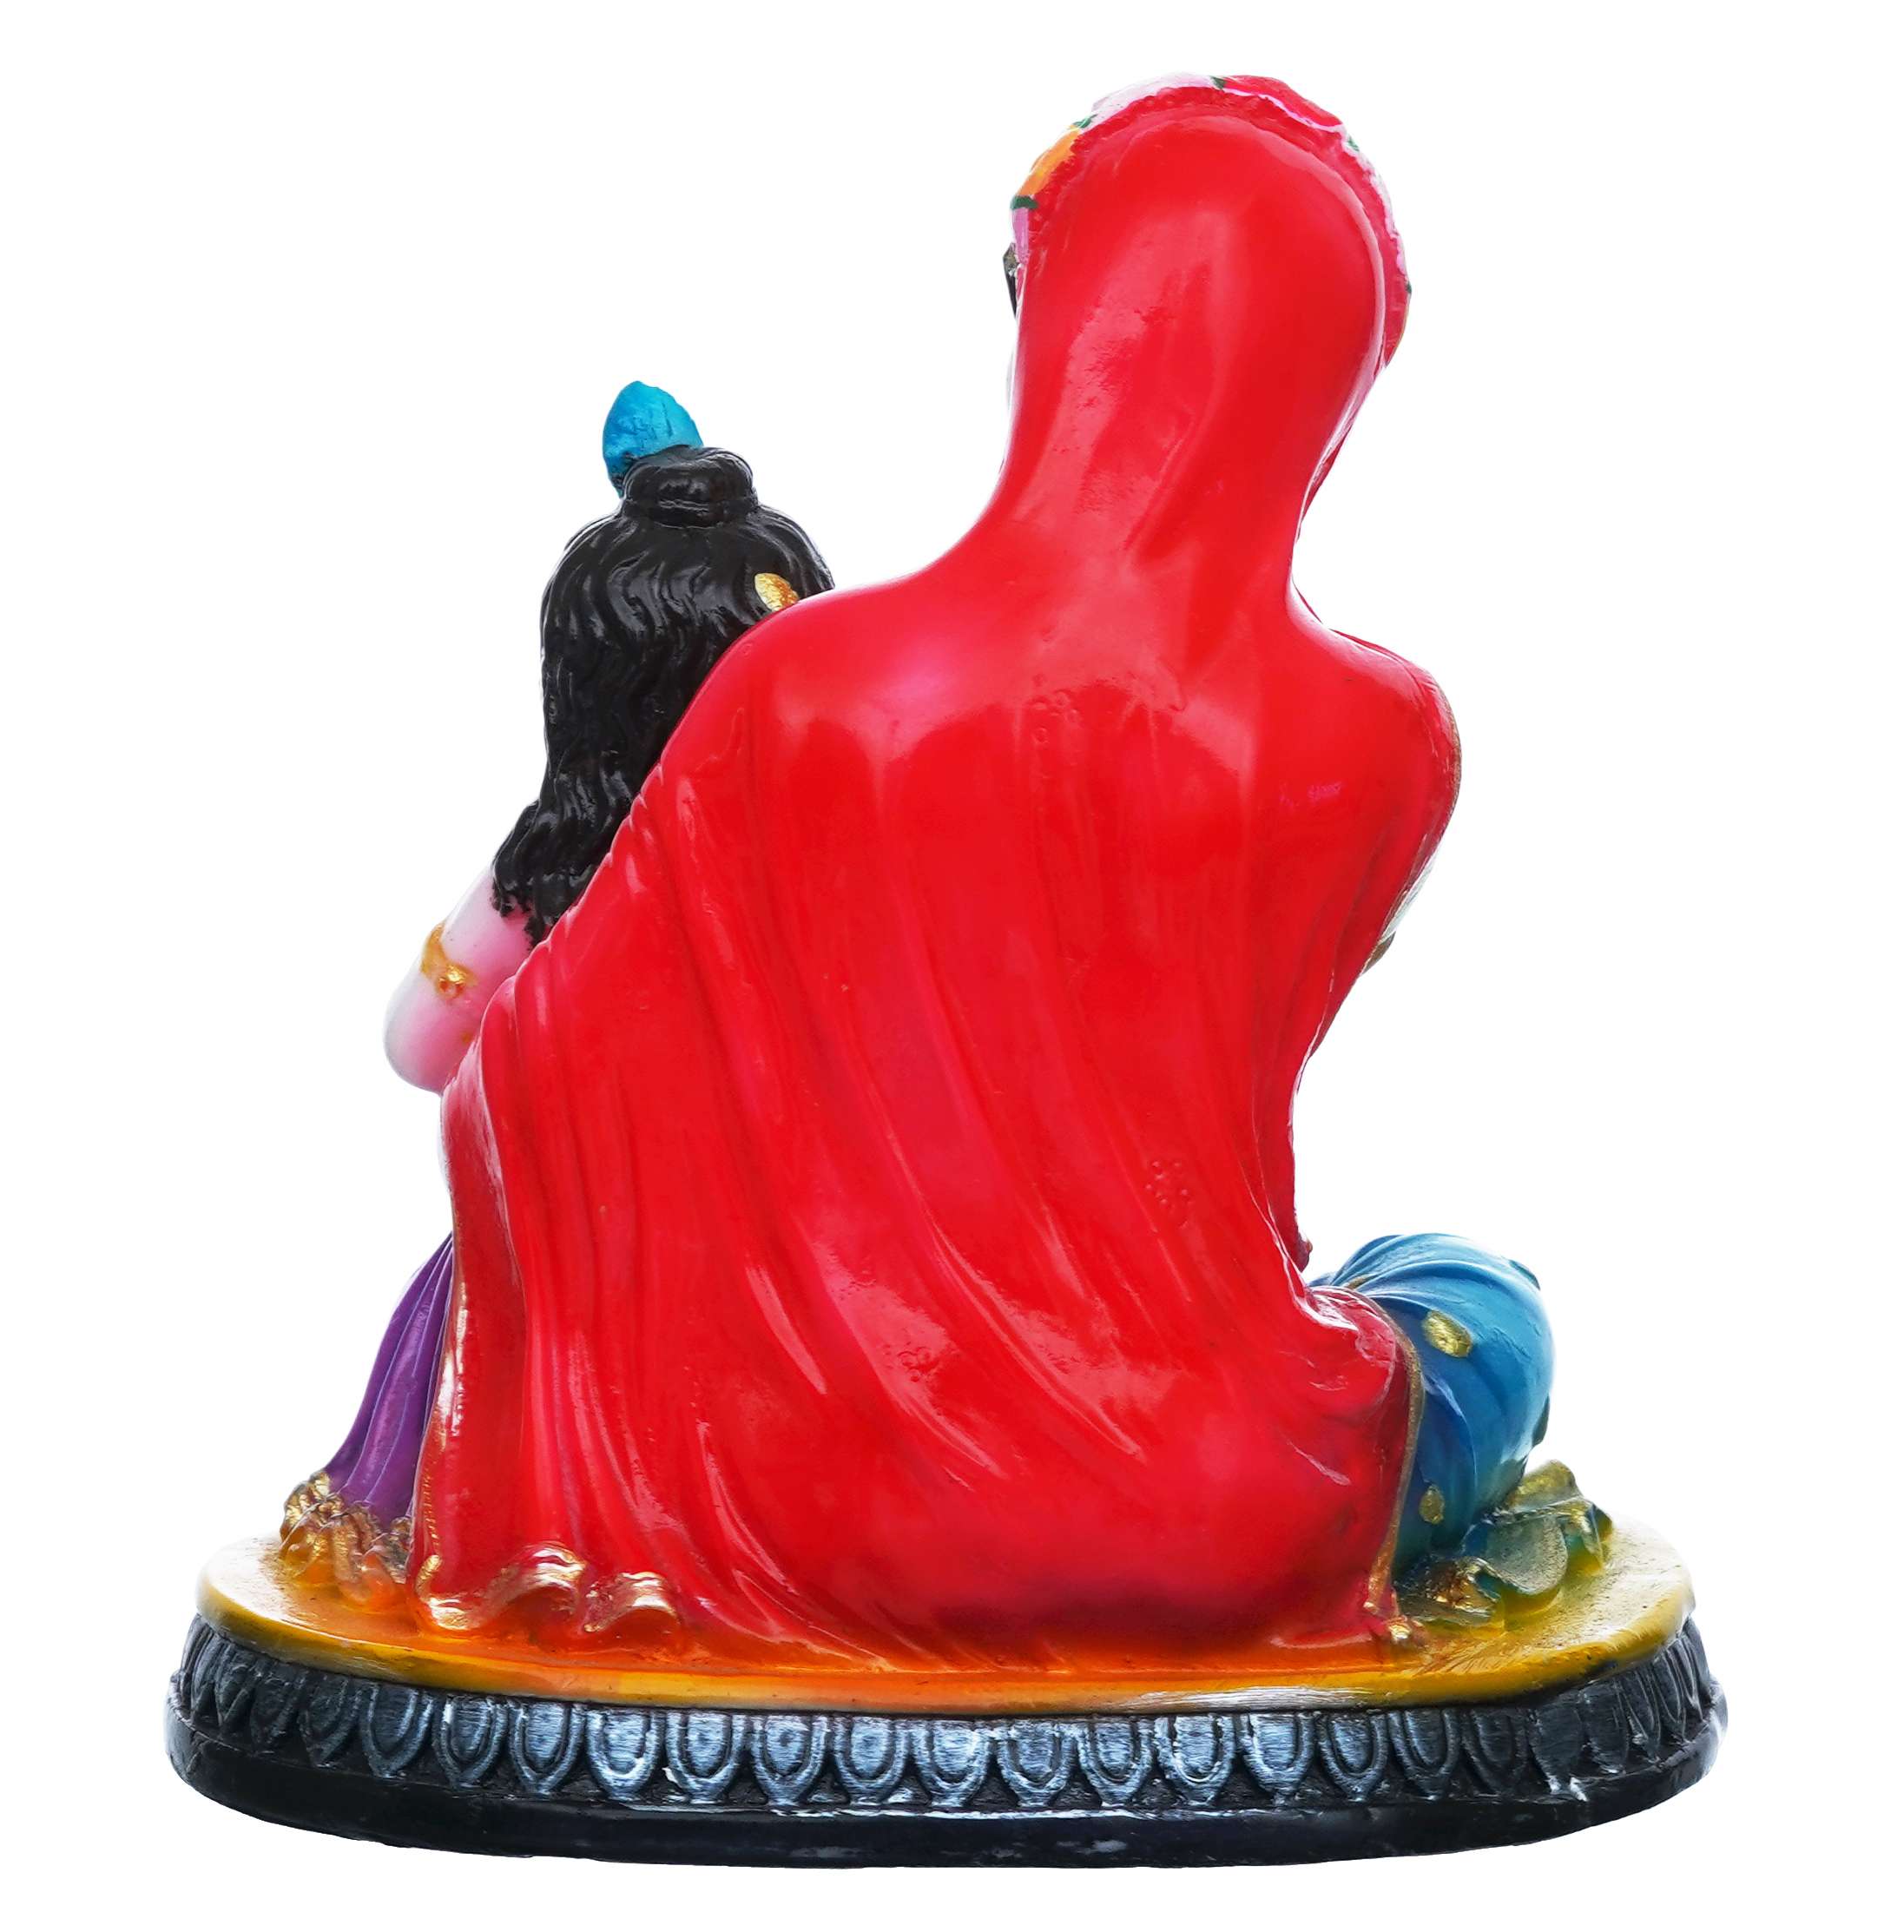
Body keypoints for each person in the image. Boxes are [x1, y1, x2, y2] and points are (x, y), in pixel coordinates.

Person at [400, 79, 1558, 1665]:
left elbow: (528, 1079)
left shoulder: (805, 682)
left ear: (1063, 335)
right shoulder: (1387, 744)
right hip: (1216, 1514)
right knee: (1477, 1305)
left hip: (803, 1503)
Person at [280, 386, 833, 1601]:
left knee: (496, 1326)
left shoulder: (543, 880)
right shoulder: (830, 877)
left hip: (588, 1267)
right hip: (786, 1272)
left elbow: (417, 1045)